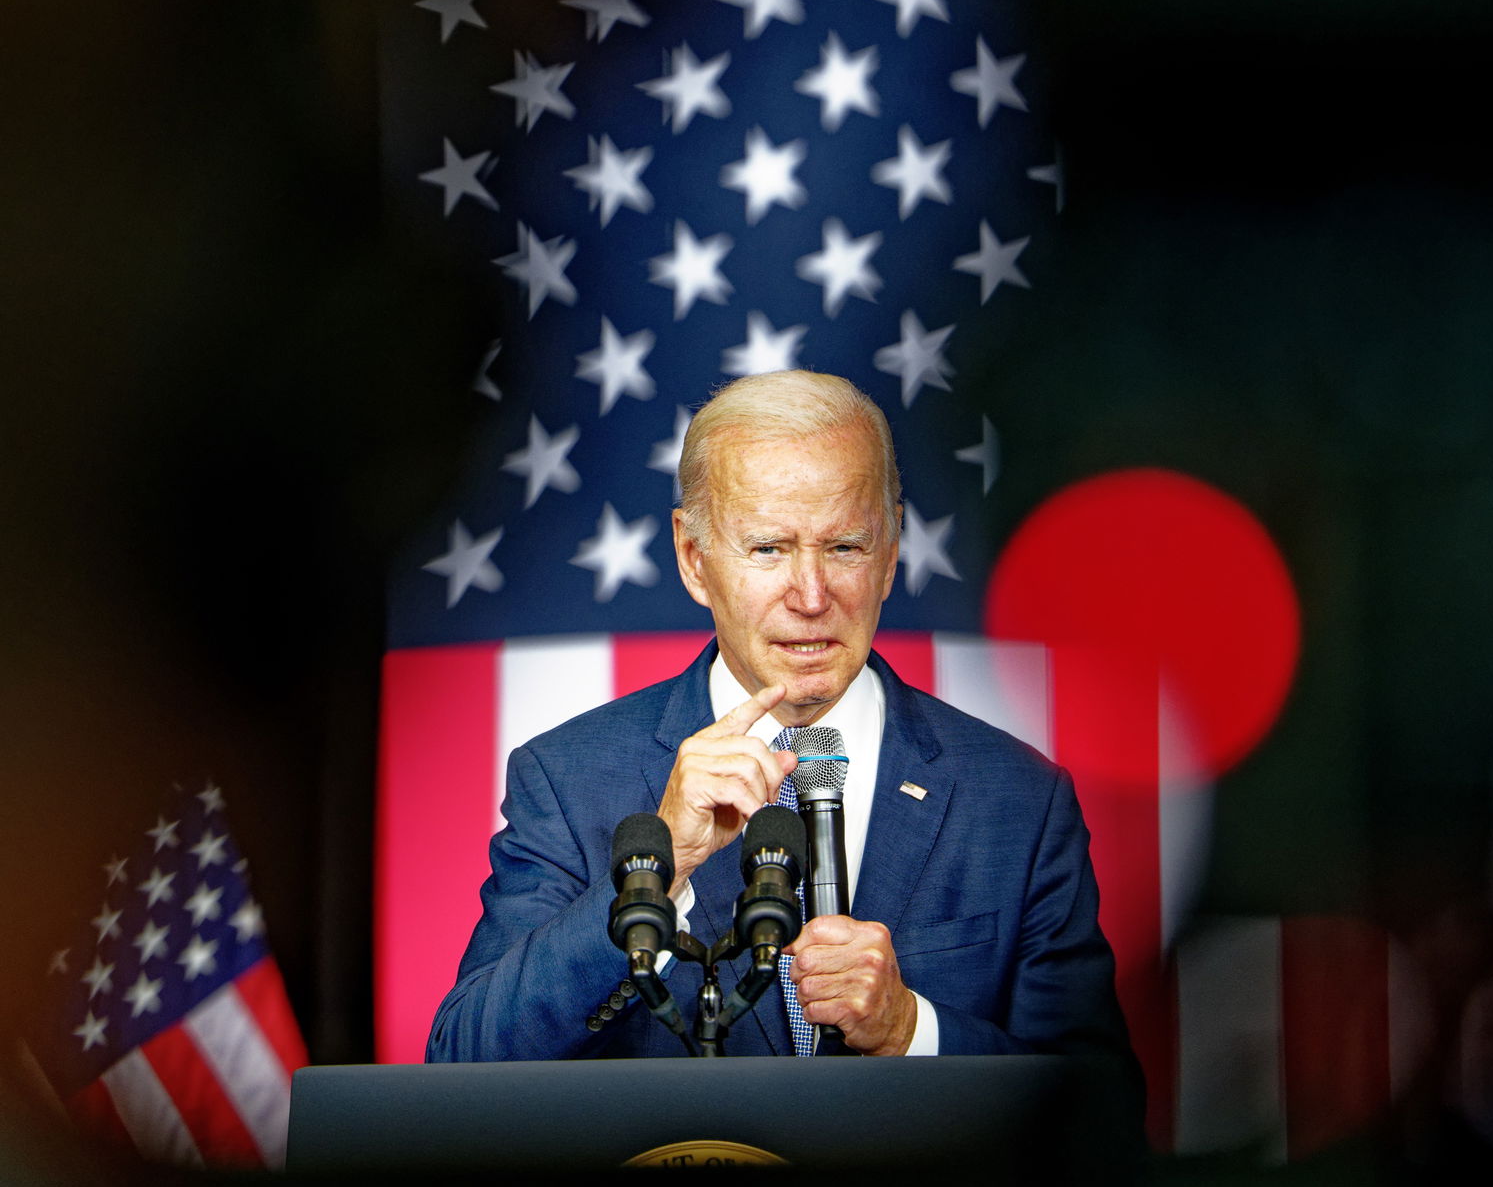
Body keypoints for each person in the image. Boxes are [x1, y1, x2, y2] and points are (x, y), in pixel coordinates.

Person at [429, 370, 1134, 1065]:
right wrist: (662, 868)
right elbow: (464, 1061)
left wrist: (908, 1030)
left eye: (844, 548)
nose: (810, 594)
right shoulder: (569, 780)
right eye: (768, 549)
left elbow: (1099, 1114)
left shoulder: (1017, 799)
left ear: (890, 554)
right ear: (693, 558)